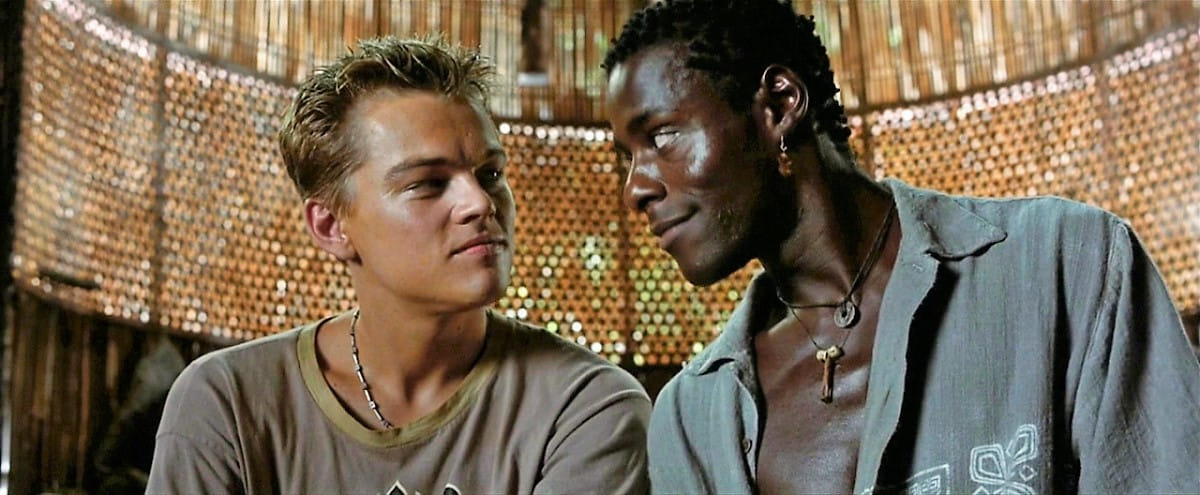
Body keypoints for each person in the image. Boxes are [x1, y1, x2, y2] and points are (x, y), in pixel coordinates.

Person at [602, 1, 1200, 494]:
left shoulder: (1067, 265)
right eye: (627, 158)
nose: (635, 189)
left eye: (662, 137)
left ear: (779, 107)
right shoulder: (691, 419)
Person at [147, 36, 650, 494]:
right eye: (427, 183)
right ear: (331, 226)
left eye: (490, 174)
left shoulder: (585, 407)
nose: (480, 203)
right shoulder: (229, 403)